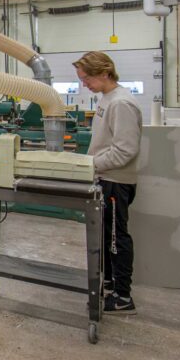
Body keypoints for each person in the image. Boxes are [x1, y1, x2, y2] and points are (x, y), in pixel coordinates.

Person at [74, 51, 142, 315]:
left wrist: (90, 164)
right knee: (105, 236)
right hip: (104, 178)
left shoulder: (121, 103)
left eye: (87, 78)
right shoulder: (107, 99)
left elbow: (125, 150)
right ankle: (110, 283)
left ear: (104, 73)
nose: (84, 84)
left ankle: (123, 297)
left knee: (116, 238)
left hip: (115, 181)